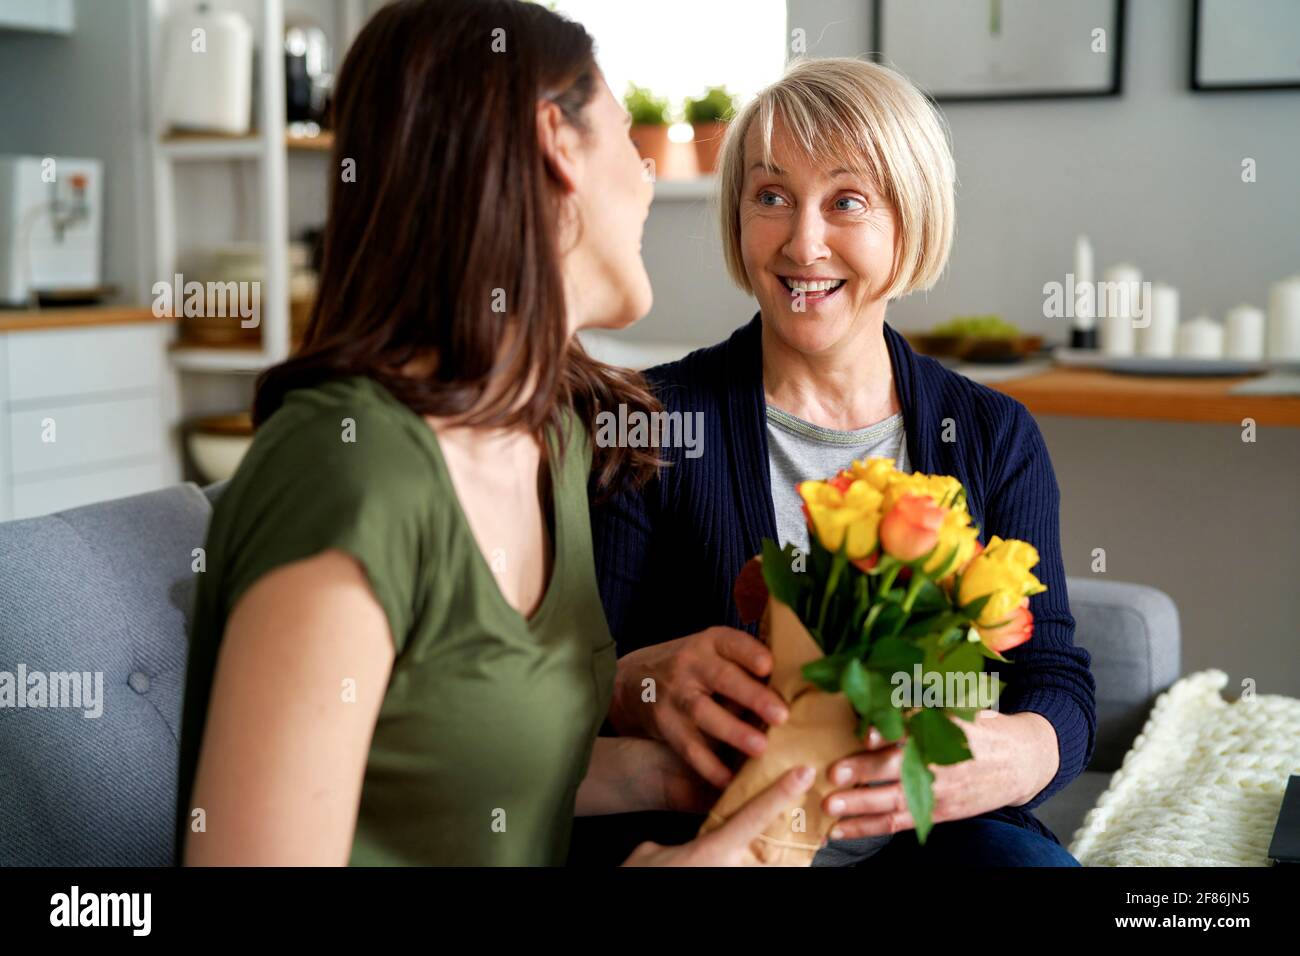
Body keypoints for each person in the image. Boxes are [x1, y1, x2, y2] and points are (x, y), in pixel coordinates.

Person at [175, 0, 813, 867]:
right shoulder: (348, 475)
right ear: (557, 139)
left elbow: (458, 774)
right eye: (630, 139)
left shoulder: (553, 437)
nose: (650, 176)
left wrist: (677, 781)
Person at [571, 57, 1096, 867]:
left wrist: (1026, 750)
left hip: (938, 841)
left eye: (847, 201)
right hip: (717, 838)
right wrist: (635, 682)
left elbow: (1052, 671)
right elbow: (565, 681)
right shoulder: (648, 421)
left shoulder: (994, 433)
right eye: (771, 197)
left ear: (911, 222)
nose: (802, 241)